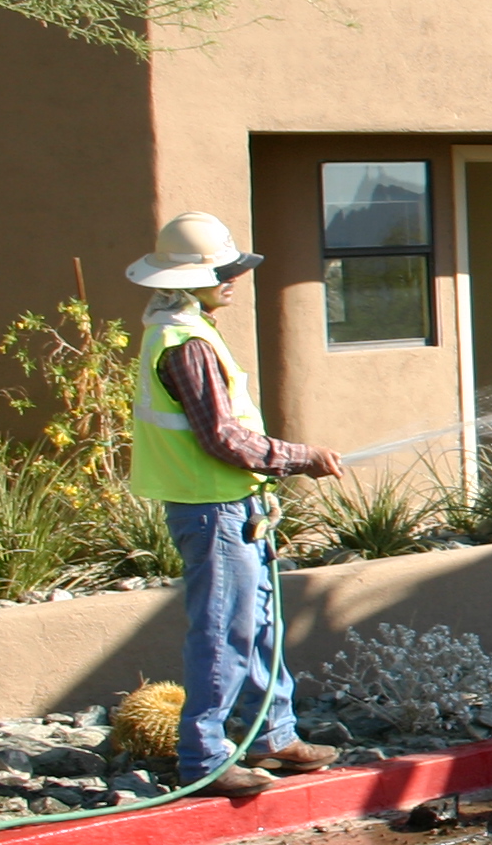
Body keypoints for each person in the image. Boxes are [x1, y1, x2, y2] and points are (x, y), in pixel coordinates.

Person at [124, 213, 347, 796]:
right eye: (222, 270)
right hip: (213, 508)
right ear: (187, 278)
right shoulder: (185, 343)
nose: (233, 278)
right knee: (224, 632)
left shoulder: (184, 328)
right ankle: (204, 759)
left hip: (233, 506)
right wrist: (299, 457)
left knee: (263, 626)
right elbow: (222, 438)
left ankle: (275, 734)